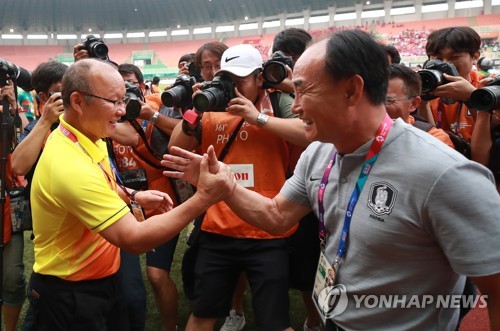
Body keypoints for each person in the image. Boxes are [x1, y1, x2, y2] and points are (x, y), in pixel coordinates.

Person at [164, 30, 500, 331]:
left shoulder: (446, 174)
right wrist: (227, 186)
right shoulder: (319, 153)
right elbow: (276, 217)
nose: (294, 107)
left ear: (352, 90)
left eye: (302, 91)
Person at [26, 58, 233, 331]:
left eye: (124, 100)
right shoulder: (69, 163)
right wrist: (204, 198)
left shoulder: (84, 135)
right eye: (113, 102)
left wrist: (132, 195)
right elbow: (133, 239)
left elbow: (102, 181)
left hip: (96, 280)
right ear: (77, 101)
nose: (122, 111)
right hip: (70, 295)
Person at [168, 44, 300, 331]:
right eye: (228, 80)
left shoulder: (277, 105)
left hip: (267, 230)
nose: (232, 89)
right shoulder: (212, 106)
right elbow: (175, 148)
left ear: (260, 78)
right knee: (204, 314)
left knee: (275, 322)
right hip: (218, 231)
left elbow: (311, 134)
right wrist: (194, 110)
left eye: (240, 82)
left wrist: (257, 118)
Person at [114, 63, 184, 331]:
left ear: (143, 86)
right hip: (123, 205)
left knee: (156, 275)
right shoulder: (107, 115)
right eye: (119, 89)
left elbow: (184, 130)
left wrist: (150, 114)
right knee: (123, 280)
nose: (126, 93)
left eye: (131, 84)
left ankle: (170, 327)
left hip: (161, 203)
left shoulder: (159, 104)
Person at [418, 26, 483, 142]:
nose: (446, 64)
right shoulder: (426, 87)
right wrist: (423, 103)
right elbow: (427, 140)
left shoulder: (487, 87)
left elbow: (493, 131)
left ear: (475, 57)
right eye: (438, 58)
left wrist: (472, 98)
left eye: (454, 57)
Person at [0, 81, 25, 331]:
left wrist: (13, 108)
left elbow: (22, 152)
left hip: (8, 204)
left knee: (12, 278)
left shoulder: (8, 113)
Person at [386, 63, 454, 148]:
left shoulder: (434, 140)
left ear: (413, 103)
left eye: (387, 101)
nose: (377, 107)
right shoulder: (365, 135)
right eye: (371, 100)